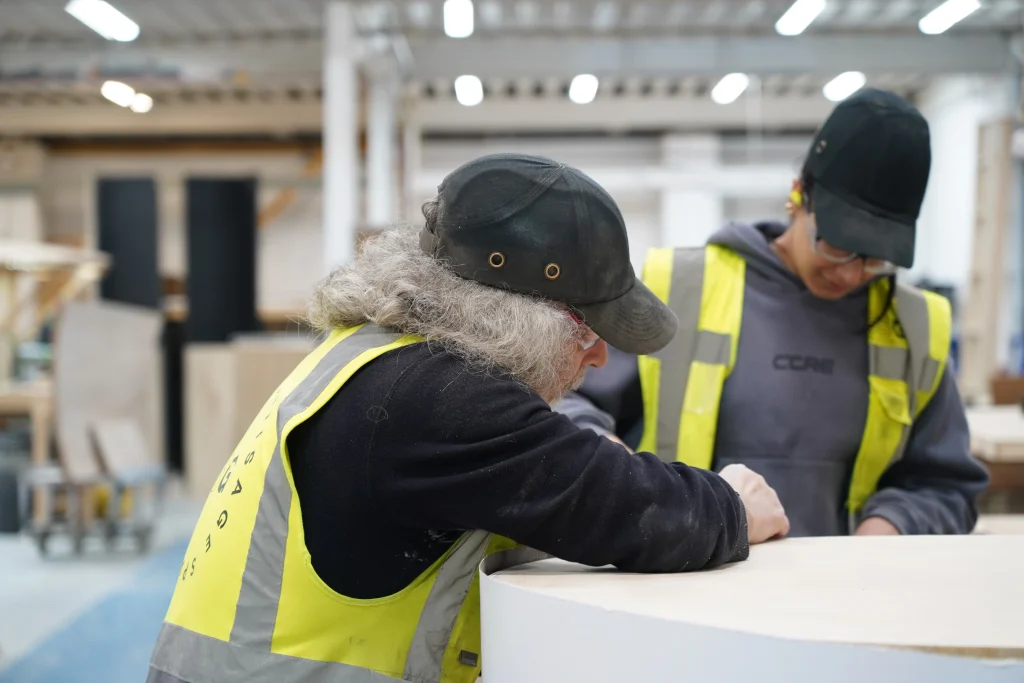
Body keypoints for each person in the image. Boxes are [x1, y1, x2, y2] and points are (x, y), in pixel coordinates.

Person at [146, 153, 788, 683]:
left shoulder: (380, 357)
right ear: (508, 314)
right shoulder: (436, 397)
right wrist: (730, 505)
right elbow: (624, 510)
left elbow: (530, 485)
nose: (600, 355)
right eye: (585, 327)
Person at [557, 88, 989, 539]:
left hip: (849, 595)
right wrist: (624, 476)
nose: (851, 274)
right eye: (837, 246)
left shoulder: (915, 330)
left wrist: (889, 530)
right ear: (799, 195)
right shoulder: (681, 290)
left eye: (876, 259)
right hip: (684, 582)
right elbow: (563, 398)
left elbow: (946, 486)